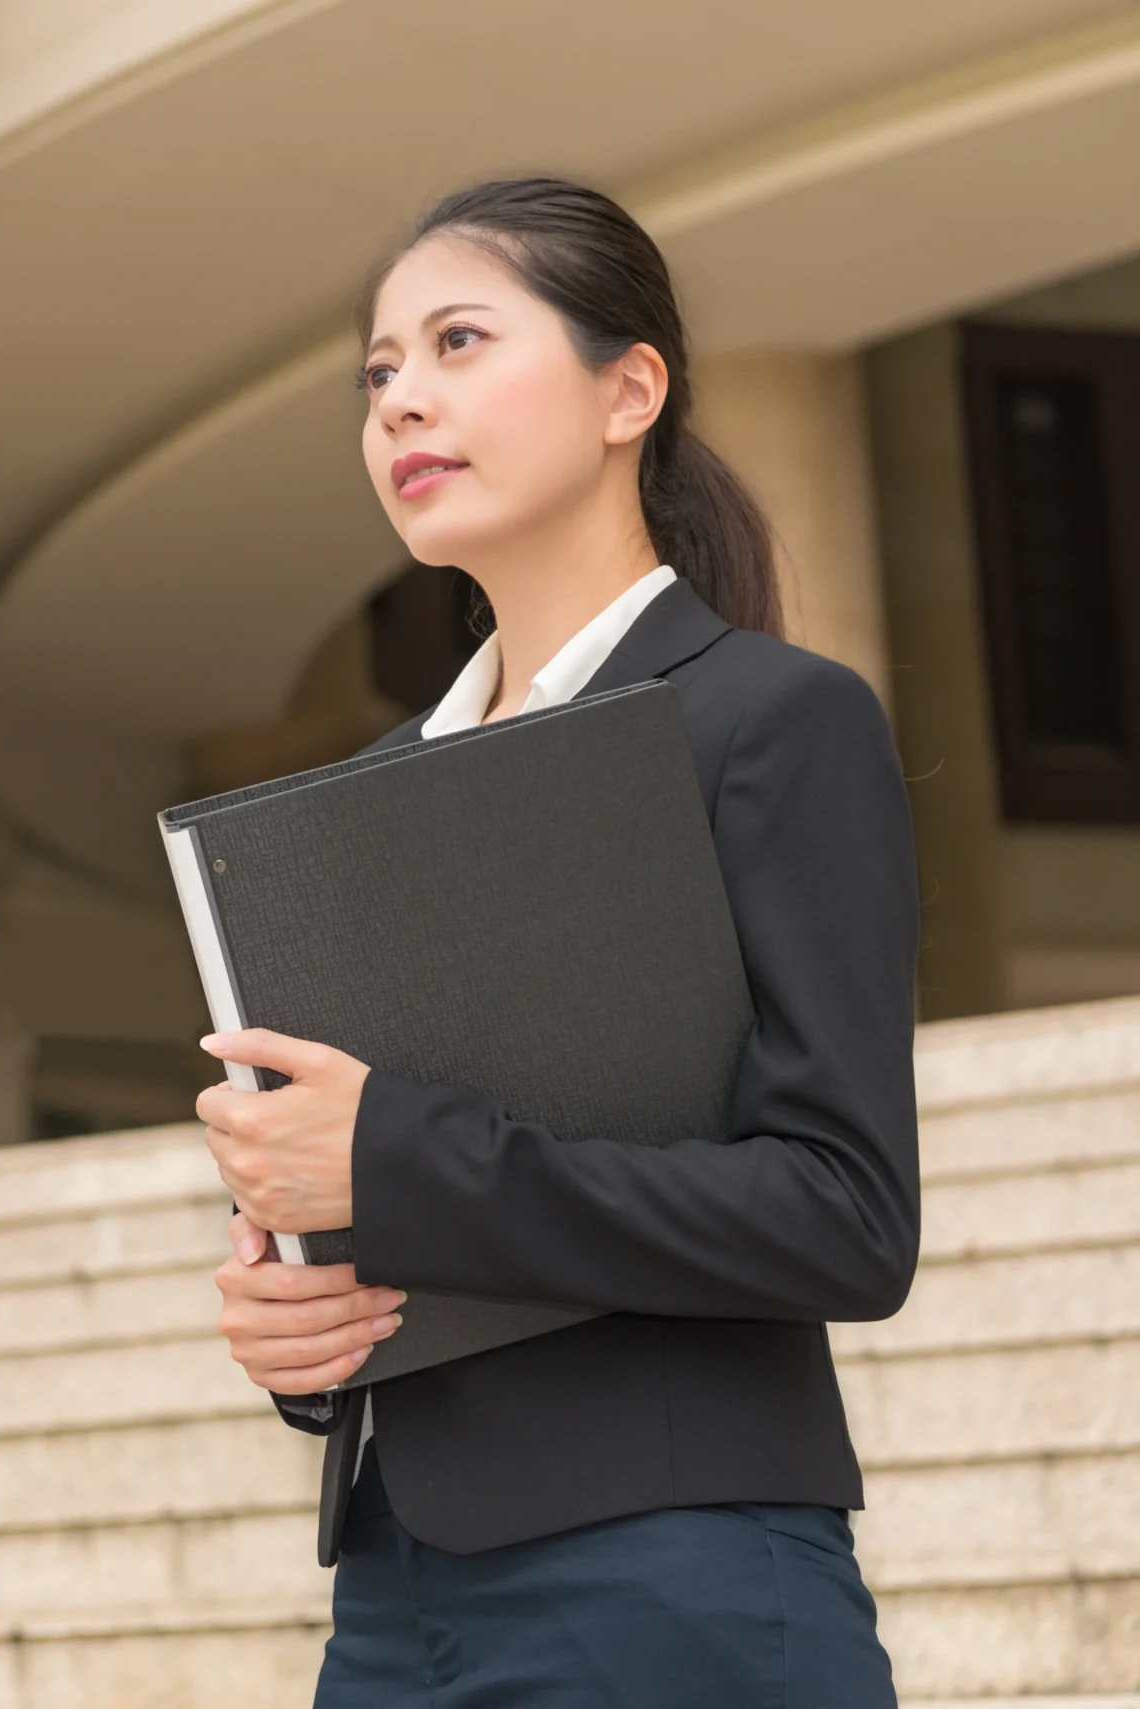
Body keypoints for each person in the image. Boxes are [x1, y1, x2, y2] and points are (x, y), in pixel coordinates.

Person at [199, 177, 918, 1707]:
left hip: (674, 1573)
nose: (403, 401)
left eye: (458, 341)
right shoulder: (378, 793)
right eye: (379, 372)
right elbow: (429, 1213)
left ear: (628, 388)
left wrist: (393, 1158)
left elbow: (845, 1214)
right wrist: (304, 1319)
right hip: (395, 1598)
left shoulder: (772, 722)